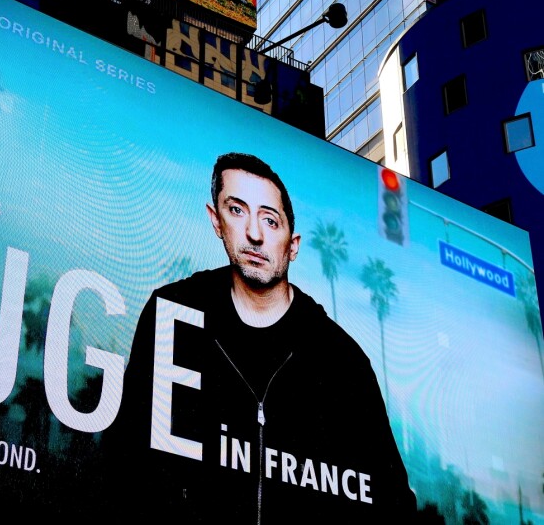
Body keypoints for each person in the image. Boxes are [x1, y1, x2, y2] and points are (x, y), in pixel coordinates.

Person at [100, 152, 417, 523]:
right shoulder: (174, 314)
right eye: (236, 210)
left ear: (293, 245)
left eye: (270, 219)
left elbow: (391, 503)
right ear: (215, 220)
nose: (254, 233)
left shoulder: (342, 361)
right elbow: (127, 464)